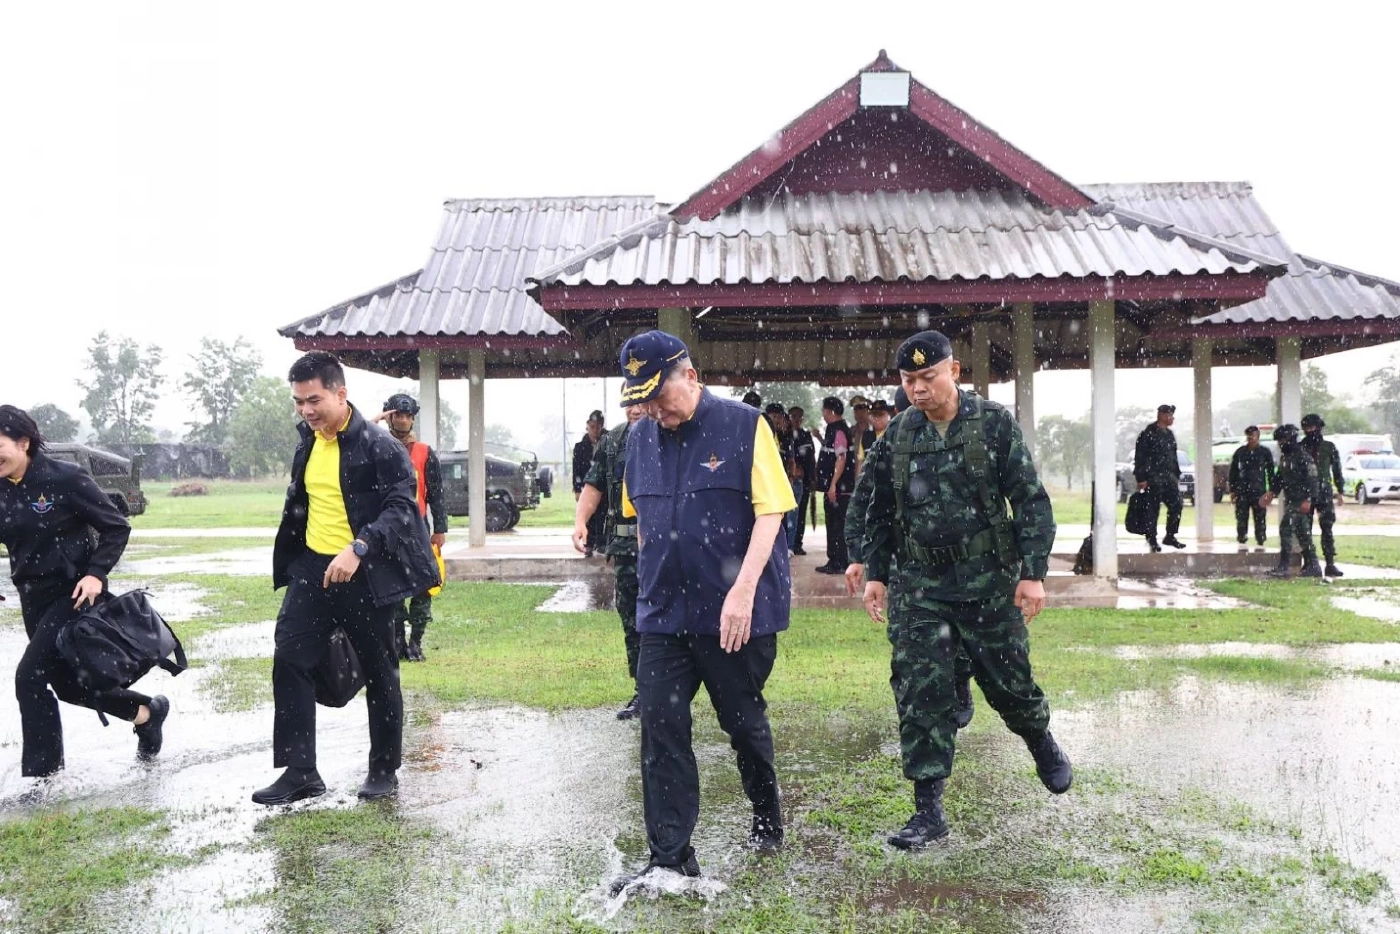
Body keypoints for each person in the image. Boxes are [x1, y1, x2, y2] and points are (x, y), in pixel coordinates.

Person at [861, 331, 1069, 849]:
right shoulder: (898, 434)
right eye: (908, 380)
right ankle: (927, 811)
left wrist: (1033, 573)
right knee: (919, 690)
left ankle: (1039, 739)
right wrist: (876, 573)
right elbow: (879, 509)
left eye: (927, 377)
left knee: (1009, 683)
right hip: (920, 586)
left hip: (988, 580)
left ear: (953, 371)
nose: (918, 389)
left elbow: (1030, 500)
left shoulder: (992, 424)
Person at [608, 330, 795, 892]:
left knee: (742, 723)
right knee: (660, 727)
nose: (653, 409)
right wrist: (649, 590)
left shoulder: (745, 426)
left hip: (732, 611)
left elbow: (771, 513)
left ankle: (767, 816)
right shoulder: (639, 438)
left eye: (659, 394)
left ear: (689, 376)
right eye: (642, 399)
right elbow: (643, 520)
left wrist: (742, 591)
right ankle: (669, 857)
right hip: (664, 614)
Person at [253, 352, 439, 805]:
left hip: (366, 572)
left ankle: (383, 769)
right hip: (313, 571)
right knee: (290, 659)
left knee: (379, 670)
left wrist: (360, 547)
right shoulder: (309, 442)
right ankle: (300, 772)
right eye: (298, 402)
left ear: (341, 394)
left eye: (314, 400)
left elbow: (402, 508)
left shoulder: (379, 446)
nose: (306, 410)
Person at [0, 405, 170, 778]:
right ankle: (147, 714)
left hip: (73, 595)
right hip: (32, 598)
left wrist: (96, 574)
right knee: (67, 684)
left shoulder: (64, 478)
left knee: (29, 677)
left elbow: (116, 526)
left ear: (23, 442)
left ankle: (42, 777)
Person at [844, 394, 978, 732]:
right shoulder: (889, 445)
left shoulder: (956, 439)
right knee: (907, 644)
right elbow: (864, 499)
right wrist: (857, 556)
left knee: (960, 632)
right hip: (906, 563)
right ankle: (917, 723)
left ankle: (960, 680)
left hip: (958, 562)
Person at [573, 404, 645, 720]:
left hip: (665, 547)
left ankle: (671, 689)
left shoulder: (670, 432)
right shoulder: (613, 440)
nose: (636, 409)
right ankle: (644, 690)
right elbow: (594, 485)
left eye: (641, 401)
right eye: (630, 402)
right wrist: (580, 522)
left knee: (668, 620)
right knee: (632, 619)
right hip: (627, 549)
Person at [370, 393, 447, 662]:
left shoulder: (425, 452)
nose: (403, 421)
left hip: (419, 529)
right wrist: (374, 422)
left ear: (413, 419)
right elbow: (352, 444)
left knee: (424, 585)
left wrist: (440, 529)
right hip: (388, 528)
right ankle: (398, 641)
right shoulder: (376, 447)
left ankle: (416, 642)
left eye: (407, 416)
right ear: (389, 417)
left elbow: (436, 493)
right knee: (393, 586)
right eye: (397, 416)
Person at [1265, 424, 1322, 579]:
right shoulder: (1286, 457)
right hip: (1291, 500)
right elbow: (1279, 477)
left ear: (1290, 439)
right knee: (1303, 534)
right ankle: (1313, 565)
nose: (1280, 444)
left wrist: (1308, 500)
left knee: (1286, 529)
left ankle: (1284, 566)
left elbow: (1313, 480)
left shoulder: (1303, 457)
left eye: (1282, 440)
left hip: (1300, 500)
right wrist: (1272, 492)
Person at [1134, 404, 1185, 552]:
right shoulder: (1148, 434)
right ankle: (1152, 539)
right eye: (1170, 415)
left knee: (1177, 505)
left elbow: (1173, 457)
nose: (1172, 418)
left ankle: (1170, 536)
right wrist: (1141, 478)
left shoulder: (1169, 434)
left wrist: (1176, 475)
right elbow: (1140, 457)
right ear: (1161, 415)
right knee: (1152, 509)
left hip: (1169, 478)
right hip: (1153, 479)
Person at [1301, 414, 1346, 577]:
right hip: (1305, 493)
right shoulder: (1300, 447)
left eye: (1312, 427)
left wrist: (1340, 490)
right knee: (1305, 529)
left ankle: (1330, 563)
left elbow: (1337, 469)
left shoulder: (1329, 447)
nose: (1309, 430)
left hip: (1324, 493)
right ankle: (1309, 563)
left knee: (1327, 527)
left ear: (1319, 427)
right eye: (1306, 428)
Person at [815, 397, 854, 574]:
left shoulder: (838, 430)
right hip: (838, 488)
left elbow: (841, 458)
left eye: (824, 411)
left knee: (836, 525)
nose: (823, 414)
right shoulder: (836, 429)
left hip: (839, 489)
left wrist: (833, 485)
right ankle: (837, 560)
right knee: (835, 524)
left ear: (830, 411)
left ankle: (838, 561)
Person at [1228, 426, 1275, 546]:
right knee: (1241, 518)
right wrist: (1232, 490)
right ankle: (1242, 538)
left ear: (1257, 436)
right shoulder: (1240, 452)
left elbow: (1270, 472)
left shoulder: (1264, 452)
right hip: (1242, 491)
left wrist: (1271, 491)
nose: (1250, 438)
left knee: (1260, 518)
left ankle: (1260, 539)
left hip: (1259, 491)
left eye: (1252, 435)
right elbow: (1233, 472)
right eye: (1248, 435)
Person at [765, 403, 801, 553]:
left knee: (783, 517)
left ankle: (784, 548)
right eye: (773, 416)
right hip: (765, 483)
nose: (776, 420)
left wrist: (791, 477)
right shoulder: (761, 434)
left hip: (782, 482)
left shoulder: (785, 437)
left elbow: (791, 460)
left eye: (779, 417)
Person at [572, 411, 607, 558]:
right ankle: (589, 543)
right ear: (587, 426)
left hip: (604, 486)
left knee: (604, 515)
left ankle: (603, 543)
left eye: (598, 426)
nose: (595, 430)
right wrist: (577, 489)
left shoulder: (610, 441)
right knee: (588, 516)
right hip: (587, 486)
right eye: (592, 426)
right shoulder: (580, 447)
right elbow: (576, 469)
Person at [788, 406, 816, 556]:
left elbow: (811, 458)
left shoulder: (806, 435)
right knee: (788, 513)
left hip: (804, 479)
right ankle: (787, 544)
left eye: (799, 417)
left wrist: (812, 478)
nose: (797, 420)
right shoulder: (786, 435)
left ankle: (797, 544)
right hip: (789, 479)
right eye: (794, 416)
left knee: (801, 512)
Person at [850, 395, 873, 472]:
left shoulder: (874, 430)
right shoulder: (851, 432)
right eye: (856, 410)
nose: (859, 413)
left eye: (862, 409)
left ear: (868, 411)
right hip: (853, 471)